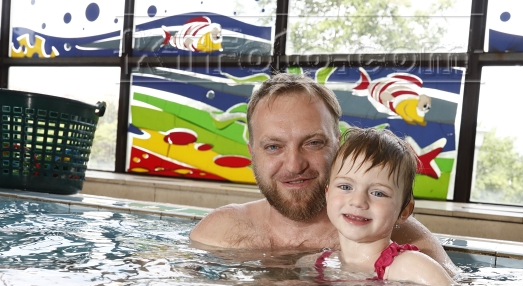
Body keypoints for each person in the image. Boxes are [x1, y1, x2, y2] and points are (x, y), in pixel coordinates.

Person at [189, 73, 458, 275]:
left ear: (338, 145)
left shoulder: (403, 237)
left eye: (313, 143)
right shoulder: (218, 233)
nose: (294, 165)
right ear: (252, 153)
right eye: (273, 147)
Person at [311, 127, 453, 286]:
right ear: (327, 193)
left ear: (404, 211)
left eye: (378, 193)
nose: (358, 201)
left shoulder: (412, 268)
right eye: (345, 187)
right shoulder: (320, 264)